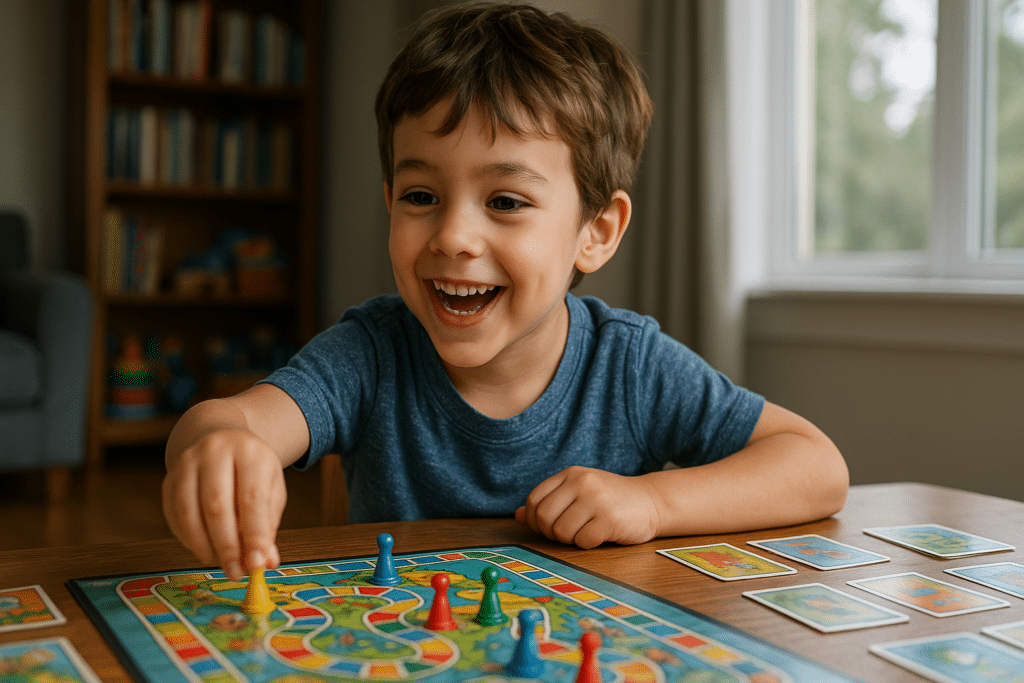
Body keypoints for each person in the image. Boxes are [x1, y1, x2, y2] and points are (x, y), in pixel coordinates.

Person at [163, 2, 848, 582]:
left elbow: (817, 466)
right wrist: (218, 445)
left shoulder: (629, 366)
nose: (453, 236)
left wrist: (653, 502)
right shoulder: (370, 352)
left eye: (506, 201)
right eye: (421, 195)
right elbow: (228, 422)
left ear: (596, 231)